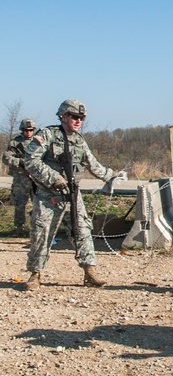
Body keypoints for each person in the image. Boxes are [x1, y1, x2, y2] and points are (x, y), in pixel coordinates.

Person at [22, 100, 124, 291]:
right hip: (49, 195)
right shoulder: (47, 135)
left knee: (83, 232)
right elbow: (30, 160)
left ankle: (89, 271)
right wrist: (54, 178)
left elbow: (92, 164)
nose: (78, 121)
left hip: (72, 195)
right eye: (75, 117)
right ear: (64, 116)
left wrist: (111, 176)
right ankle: (35, 274)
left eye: (81, 118)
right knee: (42, 234)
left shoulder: (79, 140)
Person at [3, 118, 36, 235]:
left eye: (31, 130)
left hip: (36, 179)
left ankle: (36, 227)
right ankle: (19, 228)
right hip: (20, 179)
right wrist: (20, 162)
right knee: (19, 204)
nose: (28, 132)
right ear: (22, 130)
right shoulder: (15, 143)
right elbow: (6, 158)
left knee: (38, 204)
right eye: (26, 130)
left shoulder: (38, 142)